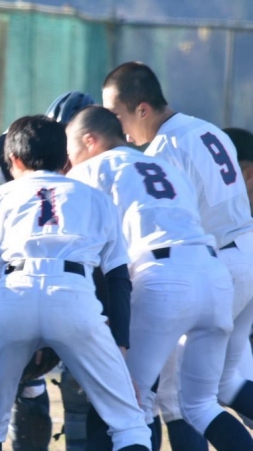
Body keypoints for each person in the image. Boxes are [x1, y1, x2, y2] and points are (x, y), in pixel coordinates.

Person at [66, 105, 253, 451]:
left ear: (89, 140)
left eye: (71, 147)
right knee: (201, 405)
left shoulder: (91, 169)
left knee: (126, 403)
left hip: (164, 278)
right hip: (213, 274)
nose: (69, 157)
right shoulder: (162, 165)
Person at [0, 115, 151, 451]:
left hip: (13, 291)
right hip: (73, 295)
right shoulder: (95, 197)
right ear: (66, 160)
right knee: (128, 422)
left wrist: (19, 334)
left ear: (13, 159)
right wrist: (120, 347)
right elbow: (117, 277)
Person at [102, 62, 253, 431]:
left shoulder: (163, 149)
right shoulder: (206, 128)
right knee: (225, 383)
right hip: (244, 250)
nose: (114, 127)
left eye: (115, 115)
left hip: (218, 261)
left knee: (174, 399)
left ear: (142, 109)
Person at [0, 91, 97, 451]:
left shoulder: (97, 174)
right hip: (32, 281)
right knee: (26, 381)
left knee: (82, 386)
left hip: (85, 287)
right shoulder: (20, 156)